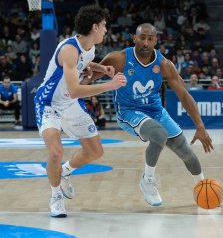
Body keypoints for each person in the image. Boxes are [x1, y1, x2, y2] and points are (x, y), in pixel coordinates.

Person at [91, 23, 213, 206]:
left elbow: (184, 96)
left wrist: (200, 126)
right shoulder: (119, 59)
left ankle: (203, 189)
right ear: (134, 38)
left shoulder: (164, 64)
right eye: (142, 37)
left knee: (188, 154)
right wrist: (70, 84)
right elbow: (89, 77)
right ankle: (147, 180)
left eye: (150, 39)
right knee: (158, 134)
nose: (146, 43)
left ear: (156, 40)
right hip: (128, 111)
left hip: (156, 112)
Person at [33, 4, 127, 218]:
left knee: (95, 151)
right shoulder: (69, 49)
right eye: (104, 26)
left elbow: (84, 63)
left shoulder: (89, 48)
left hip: (69, 103)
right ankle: (55, 196)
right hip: (48, 104)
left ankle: (64, 172)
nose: (105, 29)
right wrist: (110, 84)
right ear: (94, 27)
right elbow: (75, 90)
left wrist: (101, 68)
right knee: (56, 152)